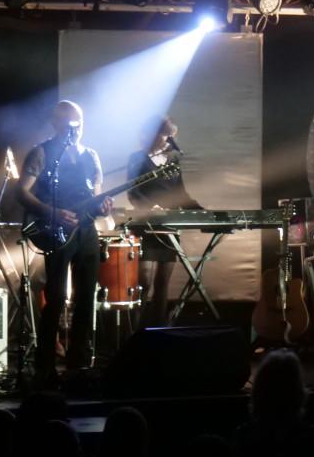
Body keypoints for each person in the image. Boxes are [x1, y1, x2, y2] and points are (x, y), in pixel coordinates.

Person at [17, 100, 109, 382]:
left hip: (86, 231)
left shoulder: (91, 156)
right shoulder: (42, 153)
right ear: (55, 124)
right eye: (69, 124)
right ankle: (44, 364)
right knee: (56, 297)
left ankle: (78, 363)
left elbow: (95, 195)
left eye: (79, 123)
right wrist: (52, 213)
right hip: (55, 231)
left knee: (86, 299)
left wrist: (103, 206)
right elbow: (22, 193)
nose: (75, 129)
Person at [127, 115, 201, 326]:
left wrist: (202, 211)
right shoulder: (136, 158)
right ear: (154, 134)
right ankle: (135, 331)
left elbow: (181, 192)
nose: (169, 141)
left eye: (171, 137)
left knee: (162, 284)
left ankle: (159, 331)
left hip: (169, 225)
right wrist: (150, 208)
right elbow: (133, 192)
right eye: (166, 135)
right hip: (146, 224)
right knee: (144, 280)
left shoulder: (173, 159)